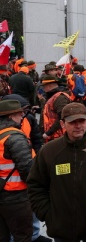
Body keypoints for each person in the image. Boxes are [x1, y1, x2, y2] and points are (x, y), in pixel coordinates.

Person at [27, 102, 86, 241]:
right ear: (62, 124)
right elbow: (35, 185)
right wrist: (48, 214)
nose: (78, 126)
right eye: (72, 122)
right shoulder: (49, 151)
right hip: (62, 229)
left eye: (81, 121)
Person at [0, 100, 34, 242]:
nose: (22, 117)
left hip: (2, 194)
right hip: (16, 197)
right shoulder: (15, 137)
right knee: (23, 236)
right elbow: (28, 169)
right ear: (10, 117)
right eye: (19, 114)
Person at [41, 75, 71, 142]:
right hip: (55, 136)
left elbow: (62, 116)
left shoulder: (60, 98)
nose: (43, 89)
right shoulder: (53, 97)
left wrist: (49, 132)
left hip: (59, 136)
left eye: (44, 87)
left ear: (49, 86)